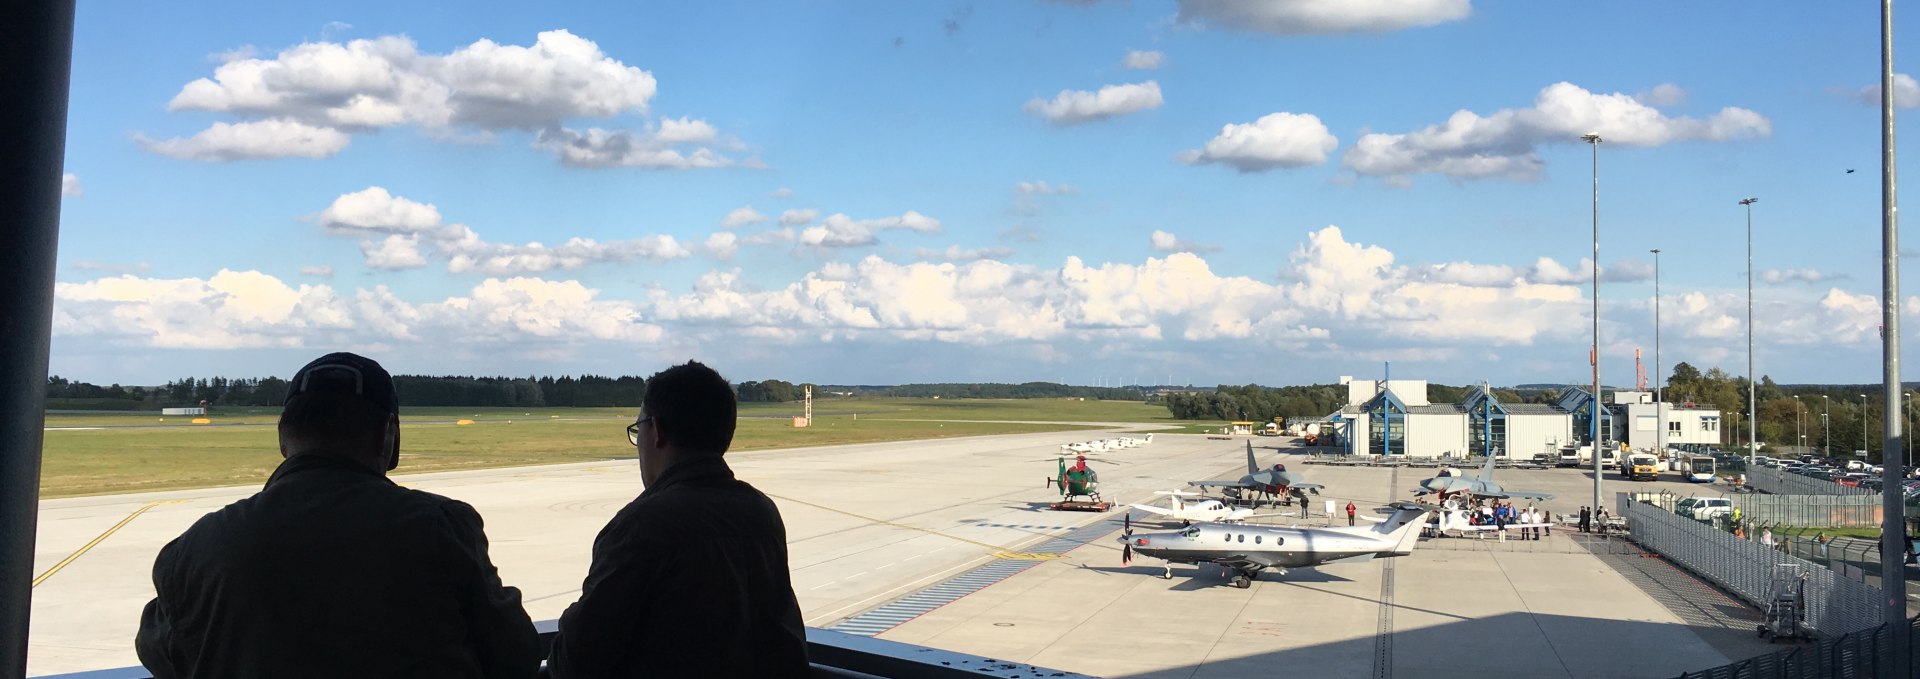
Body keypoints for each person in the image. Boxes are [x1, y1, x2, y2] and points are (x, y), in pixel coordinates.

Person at [135, 352, 538, 678]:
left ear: (282, 436)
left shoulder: (195, 547)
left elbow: (164, 655)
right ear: (387, 436)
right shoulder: (439, 526)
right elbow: (515, 655)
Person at [549, 361, 808, 678]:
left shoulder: (640, 527)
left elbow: (576, 661)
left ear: (656, 430)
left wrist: (571, 619)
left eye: (638, 428)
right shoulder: (761, 514)